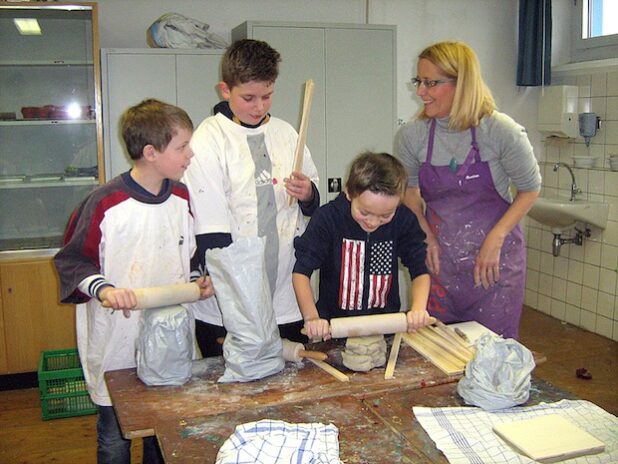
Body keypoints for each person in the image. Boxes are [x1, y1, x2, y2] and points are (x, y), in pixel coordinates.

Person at [54, 99, 214, 464]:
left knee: (163, 428)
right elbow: (72, 261)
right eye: (182, 146)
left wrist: (196, 281)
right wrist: (106, 289)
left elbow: (186, 255)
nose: (191, 154)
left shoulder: (181, 197)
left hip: (171, 336)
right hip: (117, 340)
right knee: (115, 433)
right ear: (151, 152)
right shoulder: (105, 203)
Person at [183, 39, 320, 356]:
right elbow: (209, 228)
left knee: (289, 390)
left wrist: (307, 193)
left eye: (267, 96)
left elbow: (314, 205)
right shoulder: (210, 139)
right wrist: (238, 303)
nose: (259, 106)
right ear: (224, 89)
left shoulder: (286, 133)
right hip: (228, 304)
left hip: (286, 296)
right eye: (248, 98)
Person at [397, 41, 541, 339]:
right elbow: (409, 193)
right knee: (438, 353)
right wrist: (426, 235)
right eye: (419, 82)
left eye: (430, 83)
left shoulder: (501, 131)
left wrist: (496, 237)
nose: (420, 91)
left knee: (491, 358)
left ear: (461, 84)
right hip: (440, 267)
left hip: (492, 267)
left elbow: (530, 188)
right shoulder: (412, 136)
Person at [293, 151, 431, 340]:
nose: (373, 222)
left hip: (385, 330)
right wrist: (312, 318)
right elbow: (301, 273)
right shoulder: (328, 219)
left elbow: (420, 271)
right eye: (365, 212)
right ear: (349, 192)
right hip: (333, 331)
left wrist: (418, 309)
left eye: (385, 216)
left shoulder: (403, 220)